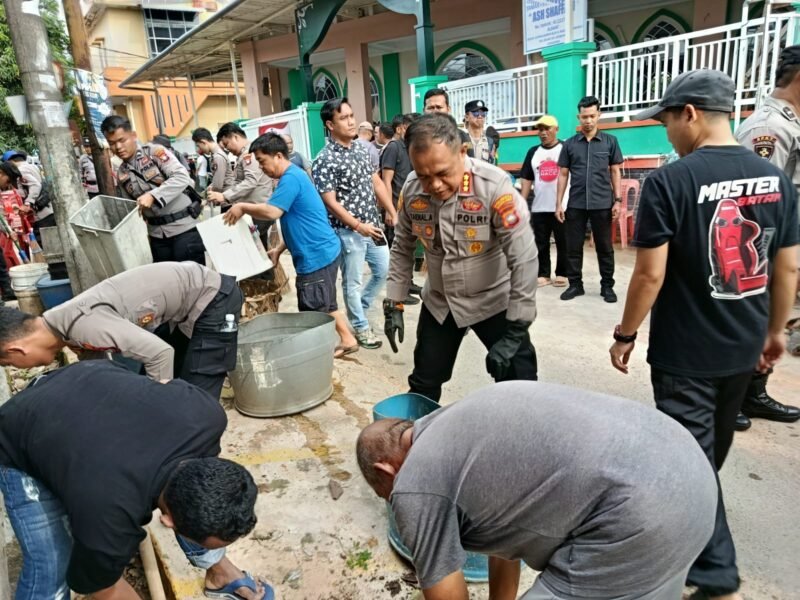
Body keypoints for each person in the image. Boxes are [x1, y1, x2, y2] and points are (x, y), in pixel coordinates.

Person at [609, 70, 799, 600]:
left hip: (685, 353)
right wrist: (775, 332)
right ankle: (688, 529)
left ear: (689, 113)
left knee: (689, 464)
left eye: (667, 121)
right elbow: (787, 268)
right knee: (705, 454)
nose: (666, 132)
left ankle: (716, 574)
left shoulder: (669, 182)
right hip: (743, 348)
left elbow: (649, 275)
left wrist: (625, 334)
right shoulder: (775, 179)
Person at [357, 380, 718, 600]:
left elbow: (445, 593)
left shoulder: (414, 481)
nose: (396, 505)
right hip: (692, 474)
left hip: (639, 514)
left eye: (386, 495)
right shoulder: (459, 427)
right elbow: (504, 546)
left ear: (385, 470)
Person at [0, 359, 269, 600]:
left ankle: (220, 574)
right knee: (52, 567)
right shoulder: (108, 513)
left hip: (92, 378)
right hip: (21, 426)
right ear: (167, 522)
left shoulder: (207, 416)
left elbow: (163, 383)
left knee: (201, 508)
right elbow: (106, 589)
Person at [384, 113, 538, 402]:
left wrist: (517, 327)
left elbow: (524, 259)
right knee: (424, 382)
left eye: (443, 173)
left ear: (462, 152)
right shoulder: (411, 187)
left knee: (521, 383)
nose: (435, 185)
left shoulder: (493, 186)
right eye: (424, 175)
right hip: (441, 302)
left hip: (493, 300)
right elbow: (402, 246)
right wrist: (394, 300)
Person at [0, 261, 242, 400]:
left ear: (16, 349)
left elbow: (160, 354)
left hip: (214, 298)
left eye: (9, 364)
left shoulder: (82, 325)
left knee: (196, 397)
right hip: (184, 308)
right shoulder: (63, 328)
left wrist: (158, 405)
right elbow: (99, 371)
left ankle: (200, 469)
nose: (19, 368)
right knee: (177, 380)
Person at [222, 133, 359, 358]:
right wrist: (278, 249)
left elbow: (272, 211)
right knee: (325, 301)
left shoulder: (291, 178)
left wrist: (243, 206)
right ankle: (347, 338)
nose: (261, 167)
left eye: (262, 161)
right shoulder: (292, 178)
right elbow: (296, 221)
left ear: (278, 156)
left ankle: (316, 355)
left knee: (313, 309)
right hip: (320, 250)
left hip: (316, 255)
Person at [732, 45, 800, 430]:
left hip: (786, 244)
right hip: (764, 247)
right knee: (753, 319)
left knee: (769, 319)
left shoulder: (792, 124)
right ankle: (734, 394)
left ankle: (754, 394)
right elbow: (757, 204)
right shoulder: (769, 129)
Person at [312, 98, 397, 350]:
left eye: (351, 115)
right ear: (330, 124)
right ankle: (360, 326)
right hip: (348, 231)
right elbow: (330, 202)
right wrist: (358, 226)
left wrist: (392, 210)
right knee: (352, 281)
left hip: (374, 226)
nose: (351, 121)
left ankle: (359, 306)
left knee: (383, 271)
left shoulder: (362, 149)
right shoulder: (324, 159)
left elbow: (377, 183)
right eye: (343, 118)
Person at [101, 116, 205, 265]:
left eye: (122, 140)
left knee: (194, 282)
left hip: (184, 230)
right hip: (157, 238)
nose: (118, 147)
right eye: (112, 143)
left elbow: (182, 177)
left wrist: (153, 195)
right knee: (167, 284)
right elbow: (132, 209)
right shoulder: (122, 173)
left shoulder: (154, 152)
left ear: (134, 136)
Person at [556, 96, 624, 302]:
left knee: (605, 248)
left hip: (602, 203)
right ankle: (575, 285)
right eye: (584, 117)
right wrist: (559, 203)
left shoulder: (610, 141)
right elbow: (563, 174)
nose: (588, 121)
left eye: (592, 116)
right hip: (576, 203)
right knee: (573, 247)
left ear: (599, 116)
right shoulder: (569, 144)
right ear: (579, 117)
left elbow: (615, 171)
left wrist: (618, 200)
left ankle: (607, 287)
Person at [519, 115, 569, 288]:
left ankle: (562, 273)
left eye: (547, 128)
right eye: (540, 129)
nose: (543, 132)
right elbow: (526, 178)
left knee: (564, 241)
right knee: (541, 242)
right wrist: (522, 203)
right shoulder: (533, 152)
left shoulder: (565, 148)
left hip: (562, 206)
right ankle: (543, 274)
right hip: (540, 206)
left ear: (556, 129)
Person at [209, 122, 274, 248]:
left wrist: (224, 196)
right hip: (256, 210)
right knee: (259, 251)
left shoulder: (249, 154)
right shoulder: (246, 154)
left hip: (257, 211)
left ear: (236, 137)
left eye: (227, 144)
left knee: (256, 254)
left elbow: (250, 181)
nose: (228, 149)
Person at [3, 150, 55, 245]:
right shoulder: (33, 166)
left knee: (45, 243)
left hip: (40, 213)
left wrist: (27, 203)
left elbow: (35, 185)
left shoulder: (21, 170)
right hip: (47, 209)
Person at [422, 88, 472, 154]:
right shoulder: (416, 137)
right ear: (424, 111)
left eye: (439, 107)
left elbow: (471, 160)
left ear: (448, 109)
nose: (435, 111)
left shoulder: (463, 136)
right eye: (430, 108)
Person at [192, 127, 234, 194]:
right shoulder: (214, 155)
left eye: (199, 146)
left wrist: (206, 196)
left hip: (226, 196)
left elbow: (217, 186)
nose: (200, 149)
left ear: (203, 142)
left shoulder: (217, 157)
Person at [462, 99, 496, 164]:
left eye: (483, 113)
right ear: (466, 117)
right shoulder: (461, 139)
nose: (480, 116)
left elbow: (492, 166)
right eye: (476, 113)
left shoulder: (490, 142)